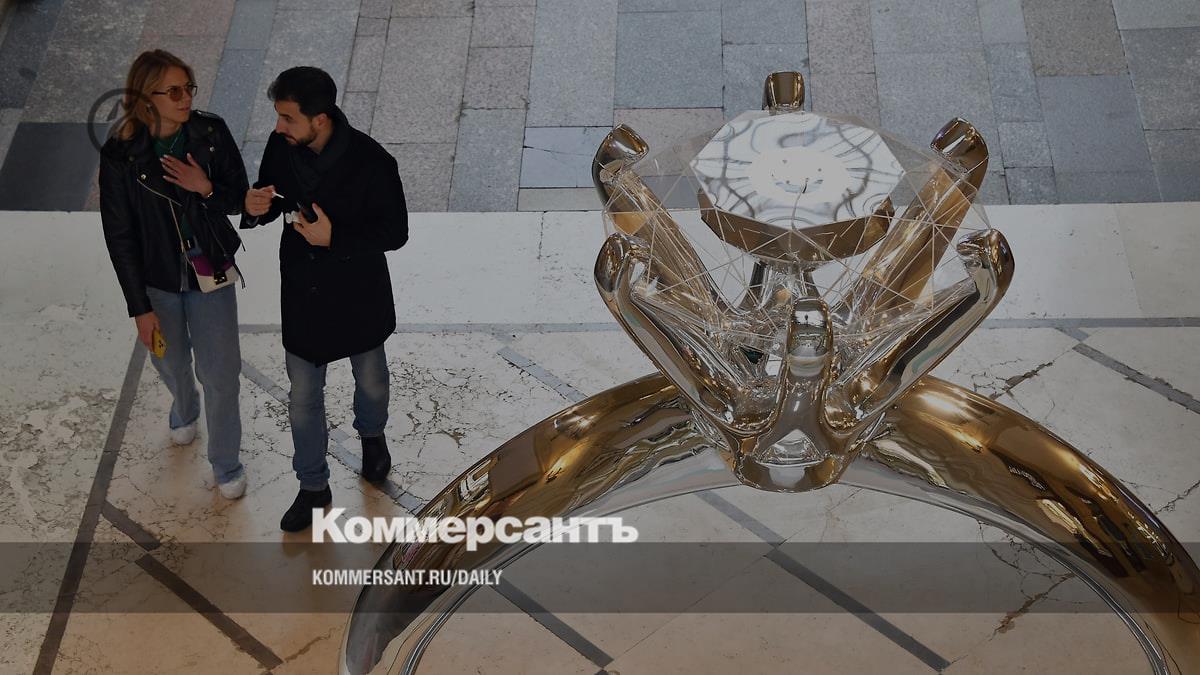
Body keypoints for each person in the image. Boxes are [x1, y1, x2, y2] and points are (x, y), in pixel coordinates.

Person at [242, 66, 408, 532]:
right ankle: (313, 487)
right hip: (304, 293)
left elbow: (395, 233)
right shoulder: (282, 146)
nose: (278, 126)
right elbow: (273, 194)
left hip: (359, 293)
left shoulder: (373, 161)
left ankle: (372, 436)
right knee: (303, 399)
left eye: (287, 118)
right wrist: (256, 208)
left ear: (320, 119)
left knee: (371, 381)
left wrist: (336, 238)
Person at [99, 49, 249, 499]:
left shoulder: (210, 133)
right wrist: (139, 307)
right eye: (175, 91)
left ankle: (226, 463)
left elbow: (239, 198)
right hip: (158, 279)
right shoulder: (122, 153)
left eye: (189, 88)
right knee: (170, 361)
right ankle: (185, 406)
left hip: (210, 268)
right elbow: (120, 236)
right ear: (147, 97)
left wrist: (204, 187)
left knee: (221, 372)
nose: (186, 98)